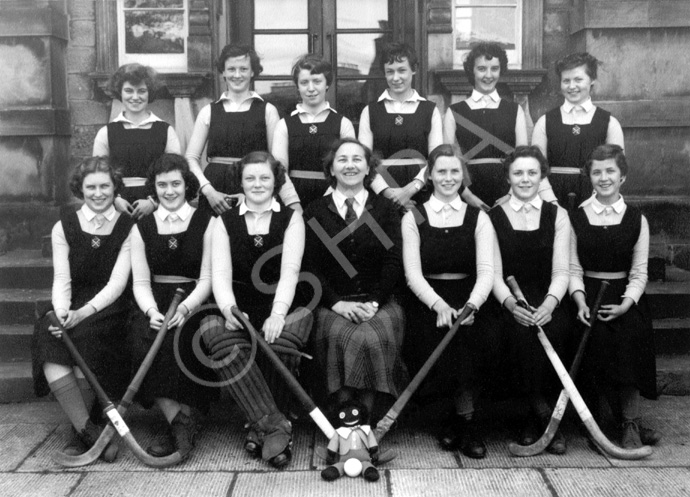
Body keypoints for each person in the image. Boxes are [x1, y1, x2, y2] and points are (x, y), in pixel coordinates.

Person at [199, 151, 311, 468]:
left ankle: (258, 427)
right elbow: (219, 275)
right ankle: (274, 426)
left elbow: (290, 271)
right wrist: (229, 309)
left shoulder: (292, 218)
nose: (257, 184)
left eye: (265, 177)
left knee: (282, 343)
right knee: (220, 340)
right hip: (238, 305)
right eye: (250, 178)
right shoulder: (223, 220)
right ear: (240, 181)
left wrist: (278, 313)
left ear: (276, 180)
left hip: (287, 304)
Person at [32, 157, 132, 457]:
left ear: (115, 188)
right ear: (81, 189)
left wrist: (83, 313)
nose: (98, 193)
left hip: (109, 305)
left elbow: (117, 283)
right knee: (49, 334)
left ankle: (84, 431)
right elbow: (62, 277)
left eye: (105, 186)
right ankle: (86, 430)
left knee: (85, 336)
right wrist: (62, 312)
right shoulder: (64, 227)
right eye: (91, 187)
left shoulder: (129, 226)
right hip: (72, 300)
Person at [402, 144, 496, 459]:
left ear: (463, 175)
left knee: (470, 342)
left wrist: (471, 306)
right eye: (441, 171)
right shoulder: (413, 215)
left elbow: (486, 272)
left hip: (470, 300)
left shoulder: (478, 217)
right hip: (429, 300)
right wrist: (439, 306)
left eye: (455, 171)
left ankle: (468, 424)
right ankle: (446, 419)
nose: (448, 177)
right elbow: (413, 274)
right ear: (430, 175)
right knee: (434, 337)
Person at [304, 138, 406, 420]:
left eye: (357, 159)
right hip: (332, 304)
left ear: (368, 169)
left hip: (380, 301)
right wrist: (336, 304)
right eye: (342, 160)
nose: (350, 165)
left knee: (373, 336)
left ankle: (365, 420)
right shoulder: (314, 211)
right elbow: (309, 266)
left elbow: (393, 260)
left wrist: (374, 302)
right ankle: (345, 415)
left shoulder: (385, 210)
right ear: (332, 169)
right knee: (343, 335)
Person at [569, 144, 660, 449]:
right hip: (587, 297)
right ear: (589, 176)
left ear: (623, 177)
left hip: (624, 298)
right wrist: (580, 300)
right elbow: (573, 267)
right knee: (591, 340)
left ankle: (631, 422)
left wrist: (625, 304)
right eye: (597, 172)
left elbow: (639, 272)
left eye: (610, 171)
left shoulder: (636, 218)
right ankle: (596, 422)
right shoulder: (577, 217)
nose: (604, 178)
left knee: (629, 336)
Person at [129, 154, 214, 461]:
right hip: (154, 301)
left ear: (187, 184)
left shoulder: (207, 221)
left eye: (176, 183)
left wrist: (188, 308)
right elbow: (140, 282)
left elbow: (207, 277)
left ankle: (183, 420)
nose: (169, 190)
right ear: (154, 187)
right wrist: (152, 311)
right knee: (146, 338)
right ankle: (179, 422)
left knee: (182, 339)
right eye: (162, 184)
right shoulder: (142, 227)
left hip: (195, 300)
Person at [490, 146, 572, 455]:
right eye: (518, 173)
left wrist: (550, 305)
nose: (525, 179)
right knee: (518, 334)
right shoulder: (493, 215)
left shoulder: (557, 214)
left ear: (542, 176)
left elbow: (562, 271)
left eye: (532, 173)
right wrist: (512, 306)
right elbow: (494, 274)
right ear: (508, 177)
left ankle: (546, 414)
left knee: (558, 330)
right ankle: (533, 415)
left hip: (548, 299)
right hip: (510, 303)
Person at [185, 44, 297, 215]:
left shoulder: (268, 110)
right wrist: (208, 191)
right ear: (223, 72)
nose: (237, 75)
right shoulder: (208, 111)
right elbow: (191, 158)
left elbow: (276, 163)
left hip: (255, 187)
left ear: (252, 72)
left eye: (243, 69)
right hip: (215, 192)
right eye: (231, 69)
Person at [532, 52, 624, 209]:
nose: (572, 86)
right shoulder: (545, 122)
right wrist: (551, 202)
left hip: (596, 201)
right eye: (566, 81)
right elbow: (535, 167)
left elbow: (617, 169)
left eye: (578, 80)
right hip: (552, 199)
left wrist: (596, 200)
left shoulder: (609, 123)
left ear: (592, 80)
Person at [443, 42, 528, 209]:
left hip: (508, 192)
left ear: (501, 70)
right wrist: (467, 196)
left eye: (494, 69)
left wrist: (512, 194)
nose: (488, 75)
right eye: (482, 69)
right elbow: (444, 161)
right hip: (469, 192)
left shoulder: (514, 110)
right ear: (472, 71)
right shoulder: (454, 111)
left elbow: (524, 160)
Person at [358, 42, 443, 207]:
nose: (395, 78)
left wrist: (410, 189)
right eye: (390, 72)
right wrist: (387, 192)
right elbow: (363, 160)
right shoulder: (370, 111)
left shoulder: (430, 110)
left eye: (402, 70)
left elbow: (436, 159)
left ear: (414, 69)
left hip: (420, 193)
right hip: (381, 195)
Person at [93, 63, 181, 219]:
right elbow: (98, 175)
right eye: (128, 91)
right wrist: (114, 200)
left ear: (150, 93)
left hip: (157, 205)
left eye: (141, 91)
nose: (135, 97)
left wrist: (153, 202)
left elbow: (176, 174)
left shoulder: (166, 131)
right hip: (117, 206)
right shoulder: (106, 132)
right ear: (120, 92)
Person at [271, 54, 356, 209]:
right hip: (292, 199)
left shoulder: (343, 124)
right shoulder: (284, 125)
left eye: (317, 81)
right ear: (297, 86)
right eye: (304, 82)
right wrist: (293, 203)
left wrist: (326, 203)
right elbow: (279, 170)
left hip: (333, 200)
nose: (311, 88)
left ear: (327, 84)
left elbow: (349, 168)